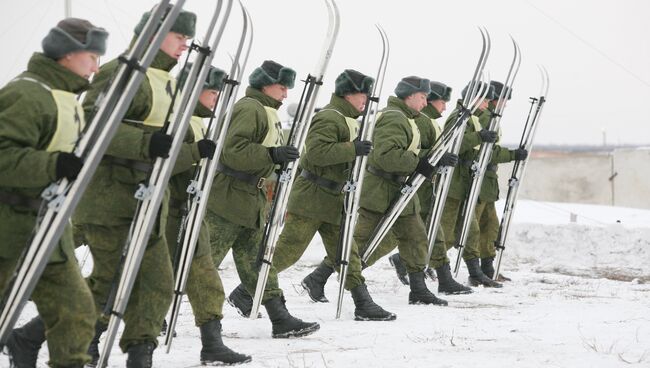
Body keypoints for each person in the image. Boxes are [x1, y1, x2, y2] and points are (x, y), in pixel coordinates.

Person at [72, 7, 201, 367]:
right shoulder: (122, 72)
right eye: (179, 37)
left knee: (157, 283)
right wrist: (146, 144)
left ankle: (139, 354)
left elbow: (167, 142)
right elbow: (94, 124)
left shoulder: (167, 81)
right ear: (156, 34)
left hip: (150, 198)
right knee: (109, 280)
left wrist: (189, 151)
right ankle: (40, 335)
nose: (184, 45)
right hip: (110, 197)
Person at [227, 69, 396, 321]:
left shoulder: (348, 119)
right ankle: (245, 291)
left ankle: (362, 302)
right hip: (312, 197)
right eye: (363, 94)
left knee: (345, 253)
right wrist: (353, 149)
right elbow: (317, 153)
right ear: (348, 94)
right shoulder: (329, 117)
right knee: (287, 251)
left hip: (332, 199)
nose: (366, 100)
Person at [0, 18, 108, 368]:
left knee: (76, 311)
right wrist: (53, 165)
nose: (96, 66)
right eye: (91, 56)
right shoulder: (27, 93)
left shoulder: (65, 98)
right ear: (67, 54)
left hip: (48, 229)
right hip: (9, 229)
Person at [206, 60, 320, 338]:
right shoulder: (249, 108)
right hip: (228, 201)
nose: (285, 93)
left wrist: (277, 162)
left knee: (259, 262)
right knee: (201, 263)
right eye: (282, 87)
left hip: (251, 200)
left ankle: (279, 318)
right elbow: (233, 151)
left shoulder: (266, 112)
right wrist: (271, 156)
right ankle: (153, 312)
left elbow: (260, 152)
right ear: (264, 84)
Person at [163, 63, 251, 365]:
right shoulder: (173, 119)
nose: (215, 97)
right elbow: (159, 164)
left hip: (191, 212)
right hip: (165, 215)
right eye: (210, 91)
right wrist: (195, 152)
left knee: (206, 279)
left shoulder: (201, 122)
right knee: (138, 280)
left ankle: (211, 344)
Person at [384, 81, 471, 294]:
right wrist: (439, 159)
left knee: (431, 232)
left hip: (426, 184)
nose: (444, 107)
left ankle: (442, 277)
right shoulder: (421, 121)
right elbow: (420, 153)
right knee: (392, 238)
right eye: (442, 102)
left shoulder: (428, 120)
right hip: (418, 185)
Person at [428, 81, 504, 289]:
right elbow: (452, 145)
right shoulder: (459, 117)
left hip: (463, 183)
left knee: (470, 230)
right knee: (444, 231)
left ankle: (475, 272)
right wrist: (478, 137)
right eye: (485, 100)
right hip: (452, 183)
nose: (487, 104)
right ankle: (414, 262)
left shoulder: (471, 118)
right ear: (475, 98)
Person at [476, 81, 528, 281]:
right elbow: (487, 152)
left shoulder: (491, 117)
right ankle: (406, 260)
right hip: (479, 180)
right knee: (465, 228)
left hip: (487, 180)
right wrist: (513, 155)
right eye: (503, 100)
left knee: (490, 226)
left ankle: (487, 269)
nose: (505, 104)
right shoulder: (485, 117)